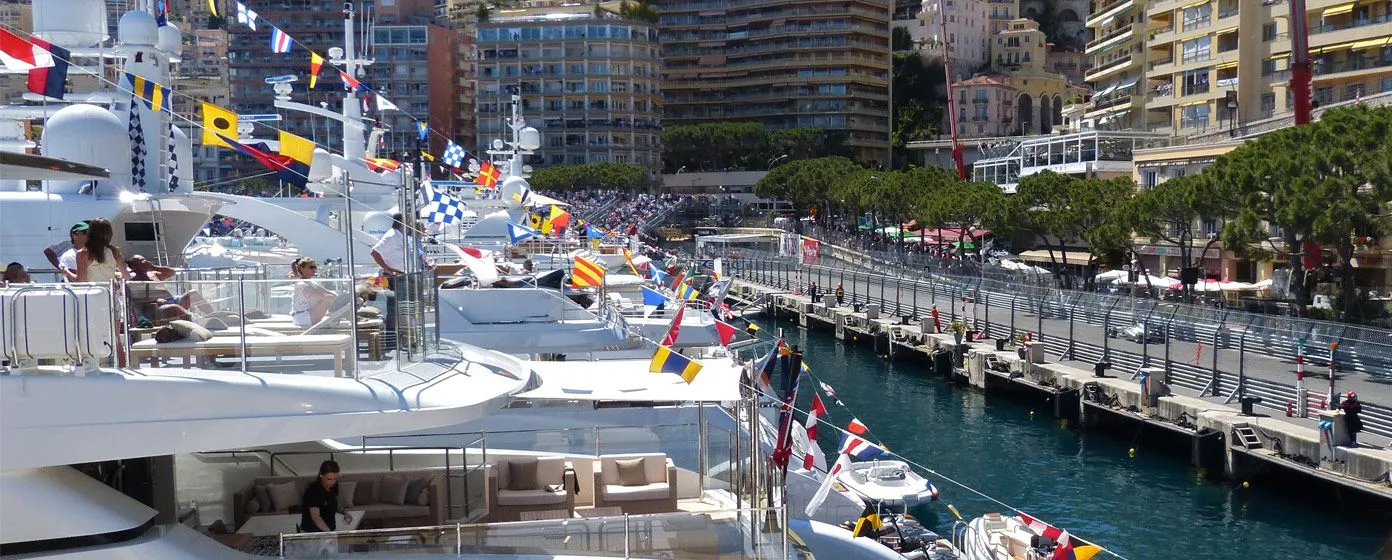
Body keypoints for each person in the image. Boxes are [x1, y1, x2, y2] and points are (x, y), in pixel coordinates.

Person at [300, 460, 352, 532]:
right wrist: (329, 533)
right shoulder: (313, 491)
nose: (333, 482)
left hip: (329, 530)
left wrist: (344, 512)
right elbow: (316, 517)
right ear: (321, 475)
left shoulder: (333, 487)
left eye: (335, 479)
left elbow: (333, 502)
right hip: (312, 533)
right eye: (329, 479)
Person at [75, 218, 126, 283]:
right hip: (110, 291)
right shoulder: (115, 251)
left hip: (94, 291)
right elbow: (126, 276)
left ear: (90, 233)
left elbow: (81, 280)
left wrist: (67, 272)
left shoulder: (83, 253)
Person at [290, 257, 337, 328]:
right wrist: (334, 299)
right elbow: (322, 296)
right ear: (302, 269)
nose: (314, 269)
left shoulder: (311, 282)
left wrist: (338, 297)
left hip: (307, 314)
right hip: (302, 317)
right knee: (326, 300)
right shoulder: (302, 284)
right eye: (311, 267)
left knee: (330, 298)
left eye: (315, 267)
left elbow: (326, 292)